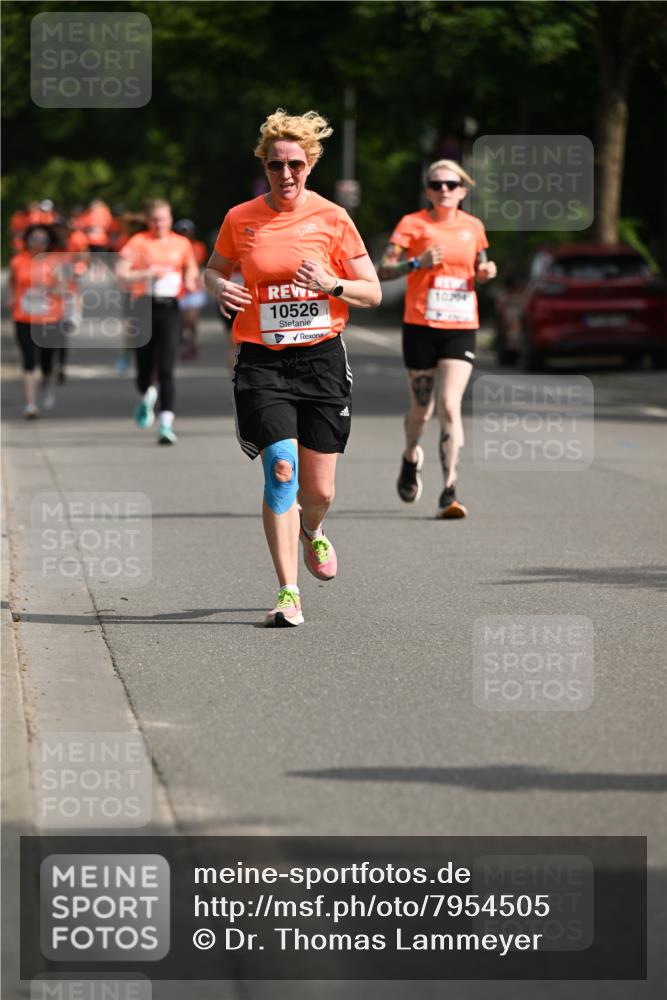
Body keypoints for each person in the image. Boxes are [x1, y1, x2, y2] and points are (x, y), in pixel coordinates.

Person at [204, 108, 381, 627]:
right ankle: (287, 591)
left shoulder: (332, 218)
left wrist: (332, 284)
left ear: (311, 165)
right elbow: (213, 269)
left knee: (319, 491)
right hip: (262, 359)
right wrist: (222, 287)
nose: (286, 175)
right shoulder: (241, 218)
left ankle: (313, 529)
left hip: (322, 360)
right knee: (282, 468)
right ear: (264, 166)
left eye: (296, 165)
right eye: (276, 165)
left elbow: (371, 291)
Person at [378, 159, 496, 518]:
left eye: (451, 184)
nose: (444, 189)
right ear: (428, 190)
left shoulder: (473, 227)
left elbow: (481, 265)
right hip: (420, 325)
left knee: (449, 405)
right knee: (422, 408)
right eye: (436, 184)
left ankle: (449, 491)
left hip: (460, 326)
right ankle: (411, 454)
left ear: (463, 190)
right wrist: (418, 263)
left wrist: (486, 273)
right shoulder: (412, 224)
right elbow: (383, 270)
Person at [116, 199, 199, 444]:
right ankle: (147, 394)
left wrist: (191, 279)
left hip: (169, 307)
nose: (159, 224)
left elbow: (191, 268)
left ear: (170, 219)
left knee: (166, 367)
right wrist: (147, 273)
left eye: (164, 219)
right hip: (142, 306)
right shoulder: (138, 242)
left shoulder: (181, 243)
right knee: (143, 368)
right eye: (155, 219)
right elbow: (121, 274)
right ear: (148, 220)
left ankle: (165, 424)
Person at [9, 224, 64, 417]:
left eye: (43, 240)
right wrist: (12, 299)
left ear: (48, 242)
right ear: (27, 241)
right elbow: (12, 282)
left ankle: (47, 383)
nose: (38, 243)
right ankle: (30, 404)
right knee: (29, 360)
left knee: (47, 361)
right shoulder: (18, 261)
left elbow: (63, 288)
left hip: (49, 317)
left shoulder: (55, 261)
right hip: (24, 316)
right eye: (34, 239)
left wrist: (50, 290)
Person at [173, 219, 209, 361]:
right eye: (182, 232)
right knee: (182, 321)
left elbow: (196, 263)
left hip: (194, 287)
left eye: (187, 231)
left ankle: (191, 342)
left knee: (191, 320)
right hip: (178, 287)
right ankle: (186, 345)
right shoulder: (173, 246)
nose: (185, 234)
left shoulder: (199, 247)